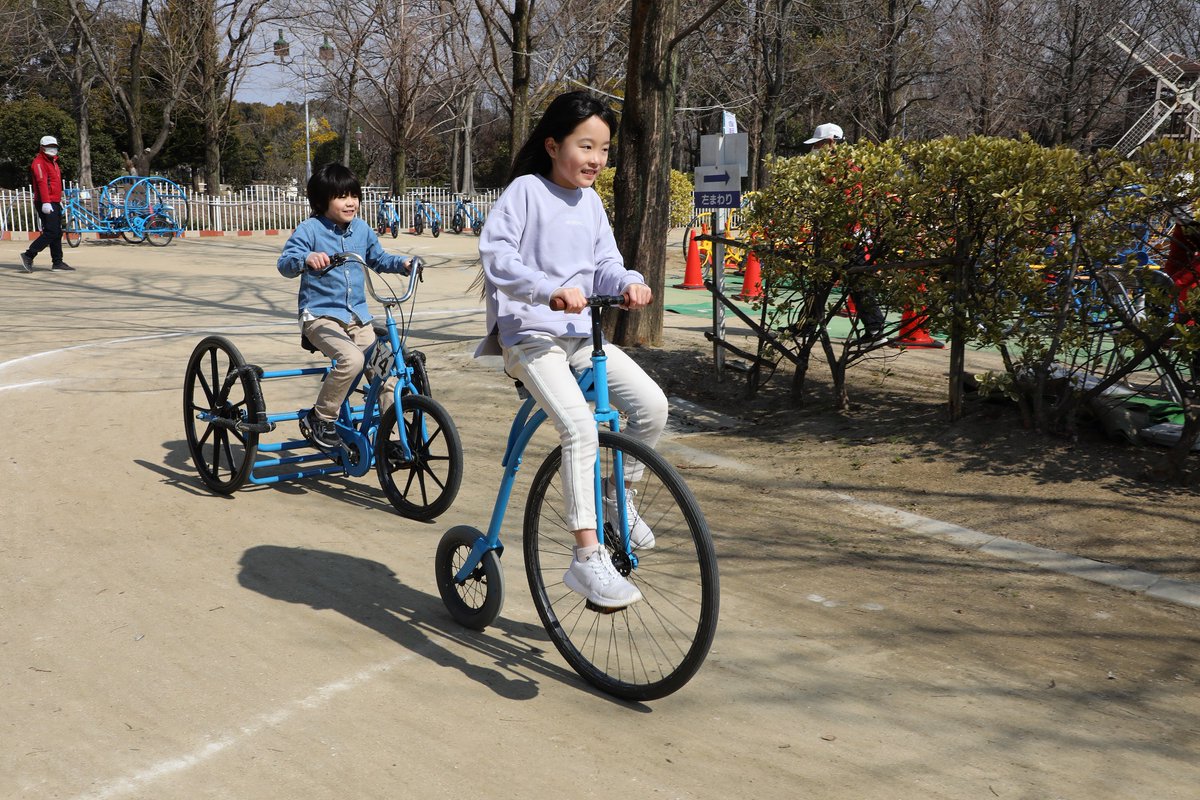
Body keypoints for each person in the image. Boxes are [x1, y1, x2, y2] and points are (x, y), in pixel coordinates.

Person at [477, 90, 667, 610]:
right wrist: (548, 290)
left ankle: (616, 497)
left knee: (652, 406)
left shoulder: (591, 203)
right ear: (552, 144)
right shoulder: (526, 191)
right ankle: (586, 559)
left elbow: (606, 262)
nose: (597, 159)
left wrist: (629, 282)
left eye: (604, 150)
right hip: (530, 338)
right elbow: (497, 255)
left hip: (581, 337)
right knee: (580, 428)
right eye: (586, 146)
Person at [277, 162, 415, 451]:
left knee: (387, 373)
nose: (351, 202)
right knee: (352, 360)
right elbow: (285, 264)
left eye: (354, 195)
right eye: (341, 197)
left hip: (358, 317)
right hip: (320, 316)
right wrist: (306, 259)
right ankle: (321, 417)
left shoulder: (361, 229)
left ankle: (391, 438)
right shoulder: (310, 230)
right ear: (321, 201)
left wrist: (403, 263)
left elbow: (378, 258)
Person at [805, 122, 888, 347]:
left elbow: (846, 203)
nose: (816, 148)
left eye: (819, 144)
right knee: (827, 282)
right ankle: (808, 326)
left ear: (830, 142)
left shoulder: (841, 168)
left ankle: (875, 330)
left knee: (854, 284)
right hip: (844, 235)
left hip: (846, 237)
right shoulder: (846, 165)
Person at [21, 135, 73, 273]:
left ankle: (57, 262)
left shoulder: (53, 162)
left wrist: (57, 200)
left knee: (57, 232)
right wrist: (46, 202)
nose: (52, 148)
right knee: (51, 232)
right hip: (45, 202)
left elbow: (53, 183)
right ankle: (28, 255)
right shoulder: (39, 162)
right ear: (42, 147)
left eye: (54, 146)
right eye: (49, 146)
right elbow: (42, 183)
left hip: (53, 201)